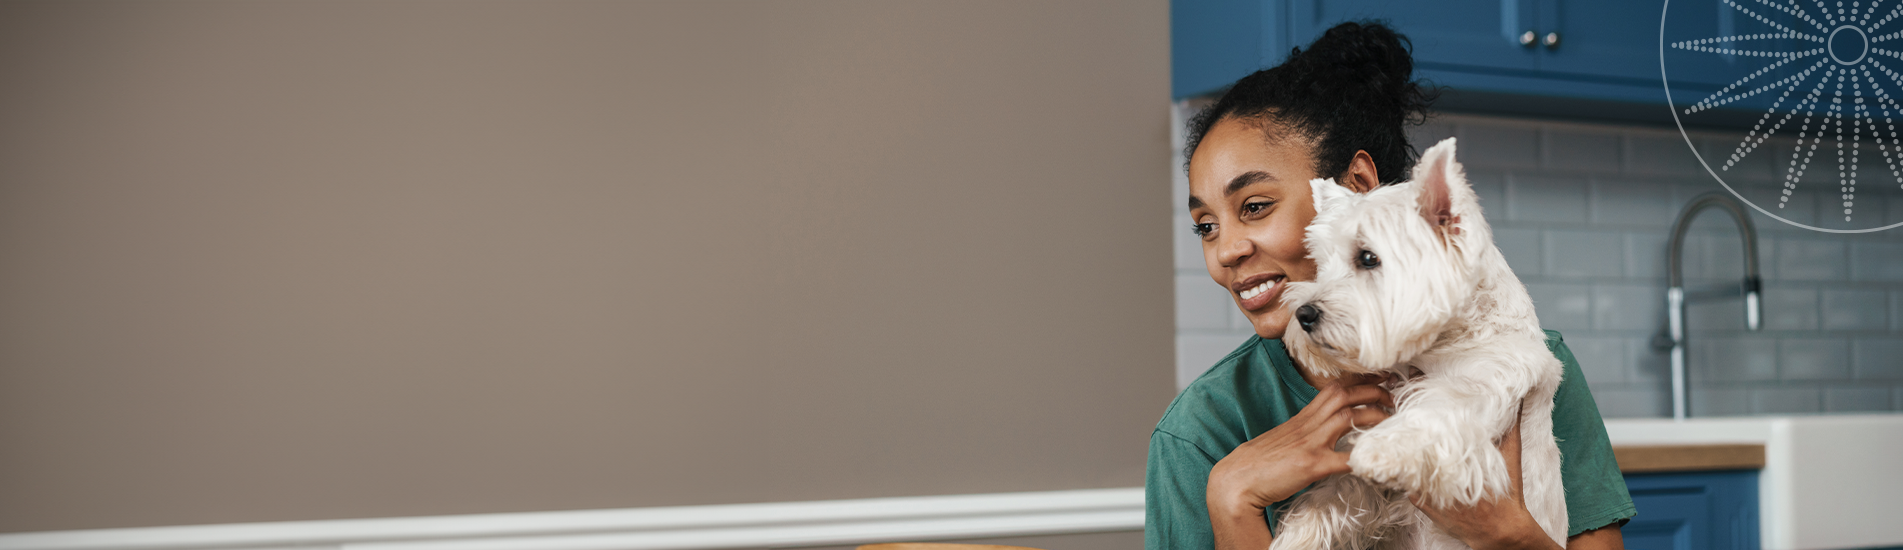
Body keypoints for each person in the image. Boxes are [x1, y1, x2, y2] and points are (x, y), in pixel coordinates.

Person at [1145, 21, 1636, 550]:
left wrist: (1506, 536)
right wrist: (1231, 500)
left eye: (1256, 207)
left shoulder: (1535, 365)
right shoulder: (1202, 429)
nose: (1225, 250)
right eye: (1206, 226)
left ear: (1355, 186)